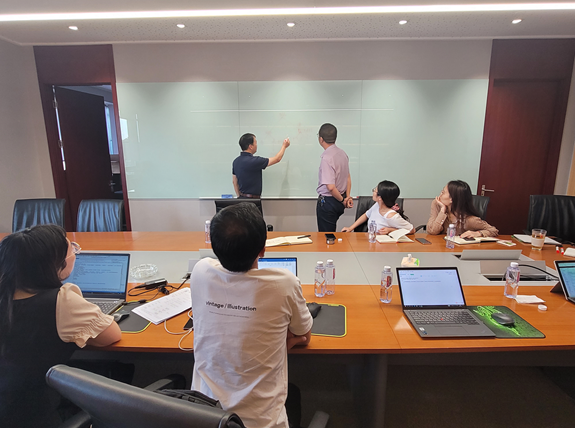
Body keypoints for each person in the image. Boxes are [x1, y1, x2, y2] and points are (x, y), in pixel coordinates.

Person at [190, 203, 312, 428]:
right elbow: (304, 335)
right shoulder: (284, 283)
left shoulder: (199, 271)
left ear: (214, 247)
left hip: (205, 417)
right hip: (264, 423)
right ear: (263, 249)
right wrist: (278, 342)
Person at [0, 224, 122, 428]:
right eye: (72, 249)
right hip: (32, 417)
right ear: (57, 264)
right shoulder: (60, 301)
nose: (75, 252)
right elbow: (111, 335)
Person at [427, 180, 498, 237]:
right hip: (441, 245)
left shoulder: (470, 220)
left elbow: (493, 230)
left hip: (460, 248)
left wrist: (477, 233)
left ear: (451, 199)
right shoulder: (437, 204)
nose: (440, 194)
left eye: (443, 192)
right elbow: (432, 231)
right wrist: (442, 211)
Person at [316, 123, 353, 232]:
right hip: (340, 199)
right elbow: (348, 177)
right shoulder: (342, 154)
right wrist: (347, 197)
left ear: (321, 139)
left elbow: (331, 187)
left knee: (327, 236)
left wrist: (342, 200)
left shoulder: (327, 158)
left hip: (329, 202)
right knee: (331, 233)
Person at [341, 180, 414, 234]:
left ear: (380, 198)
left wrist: (391, 230)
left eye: (374, 191)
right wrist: (350, 228)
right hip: (371, 241)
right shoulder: (377, 205)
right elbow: (366, 215)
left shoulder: (391, 216)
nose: (373, 192)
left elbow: (412, 230)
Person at [232, 133, 291, 198]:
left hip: (242, 199)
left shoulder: (235, 162)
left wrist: (239, 197)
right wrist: (284, 146)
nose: (256, 145)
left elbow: (234, 182)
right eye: (255, 143)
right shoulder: (254, 161)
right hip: (253, 200)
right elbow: (277, 159)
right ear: (250, 146)